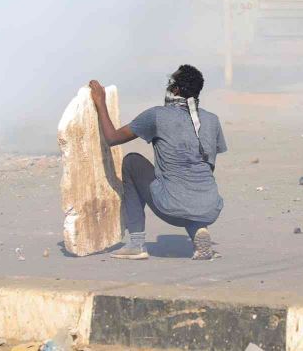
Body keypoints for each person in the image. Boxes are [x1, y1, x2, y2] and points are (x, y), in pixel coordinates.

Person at [89, 64, 227, 261]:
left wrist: (100, 102)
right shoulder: (212, 120)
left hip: (171, 209)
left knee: (131, 162)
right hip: (210, 208)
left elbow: (112, 138)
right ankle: (198, 230)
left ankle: (136, 243)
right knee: (188, 187)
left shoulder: (156, 115)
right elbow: (209, 166)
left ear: (176, 89)